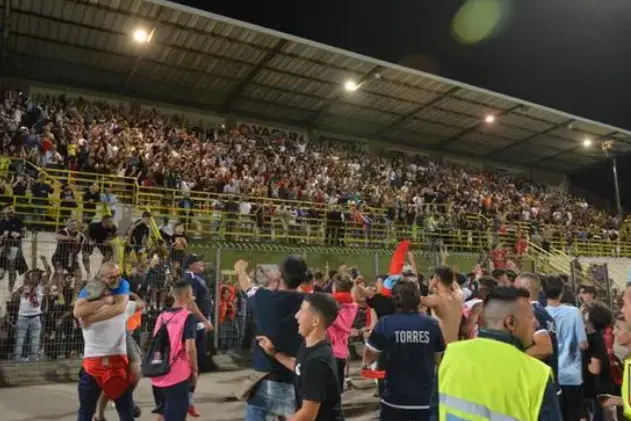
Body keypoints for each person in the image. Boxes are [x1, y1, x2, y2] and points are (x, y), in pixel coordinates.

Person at [434, 286, 562, 421]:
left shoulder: (450, 356)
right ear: (510, 323)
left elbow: (434, 413)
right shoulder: (537, 374)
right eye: (531, 317)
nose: (536, 323)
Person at [235, 256, 305, 421]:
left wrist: (240, 270)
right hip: (296, 379)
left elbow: (247, 286)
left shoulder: (264, 298)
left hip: (267, 379)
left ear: (280, 274)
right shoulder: (308, 303)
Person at [364, 280, 445, 421]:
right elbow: (439, 359)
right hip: (424, 397)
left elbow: (370, 356)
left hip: (394, 397)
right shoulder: (431, 324)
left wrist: (366, 363)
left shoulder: (385, 323)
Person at [256, 292, 345, 421]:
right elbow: (300, 367)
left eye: (302, 310)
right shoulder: (311, 346)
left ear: (315, 321)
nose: (297, 316)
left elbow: (307, 415)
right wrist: (274, 353)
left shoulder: (317, 361)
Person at [72, 262, 134, 421]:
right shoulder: (116, 305)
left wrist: (91, 319)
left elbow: (122, 307)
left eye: (118, 275)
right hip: (101, 363)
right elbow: (77, 311)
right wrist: (104, 302)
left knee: (88, 412)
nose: (117, 280)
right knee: (121, 411)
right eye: (112, 277)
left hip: (108, 363)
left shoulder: (119, 298)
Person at [150, 281, 199, 421]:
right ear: (188, 294)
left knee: (163, 414)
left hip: (158, 374)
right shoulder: (188, 317)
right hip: (176, 376)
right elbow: (190, 348)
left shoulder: (162, 316)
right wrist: (194, 370)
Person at [93, 292, 145, 421]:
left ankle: (103, 412)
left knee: (118, 380)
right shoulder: (122, 309)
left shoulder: (128, 308)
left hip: (118, 342)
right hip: (118, 342)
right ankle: (113, 407)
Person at [543, 276, 588, 421]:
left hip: (550, 375)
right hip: (572, 375)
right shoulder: (574, 312)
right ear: (562, 293)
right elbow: (583, 343)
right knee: (573, 415)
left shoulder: (541, 313)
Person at [514, 273, 559, 393]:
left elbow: (545, 347)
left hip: (540, 388)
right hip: (547, 384)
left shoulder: (533, 312)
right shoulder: (544, 313)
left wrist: (512, 360)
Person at [182, 254, 214, 417]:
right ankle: (186, 399)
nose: (202, 263)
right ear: (191, 265)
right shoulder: (191, 278)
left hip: (198, 325)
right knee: (193, 364)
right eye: (198, 261)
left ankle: (187, 398)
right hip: (195, 325)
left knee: (196, 365)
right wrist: (204, 320)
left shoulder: (197, 277)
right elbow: (190, 303)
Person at [327, 274, 358, 391]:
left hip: (330, 349)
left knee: (329, 389)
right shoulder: (353, 305)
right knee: (338, 388)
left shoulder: (331, 306)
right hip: (342, 350)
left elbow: (337, 322)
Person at [422, 266, 463, 344]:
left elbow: (416, 300)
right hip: (454, 345)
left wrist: (429, 287)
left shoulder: (437, 299)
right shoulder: (459, 296)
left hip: (441, 348)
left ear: (436, 279)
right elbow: (455, 286)